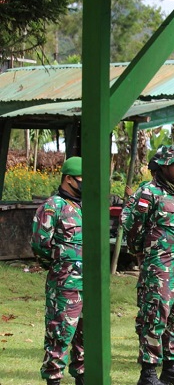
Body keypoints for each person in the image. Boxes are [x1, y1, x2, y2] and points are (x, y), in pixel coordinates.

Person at [122, 145, 174, 385]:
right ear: (163, 167)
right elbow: (132, 226)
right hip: (159, 268)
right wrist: (142, 252)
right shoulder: (148, 192)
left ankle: (171, 369)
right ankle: (148, 374)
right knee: (155, 317)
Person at [31, 156, 84, 385]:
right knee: (59, 335)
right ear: (69, 179)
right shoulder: (53, 206)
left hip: (89, 284)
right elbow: (40, 245)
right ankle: (53, 379)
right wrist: (61, 265)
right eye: (82, 178)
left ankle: (83, 377)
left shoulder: (85, 206)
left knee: (86, 338)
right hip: (64, 285)